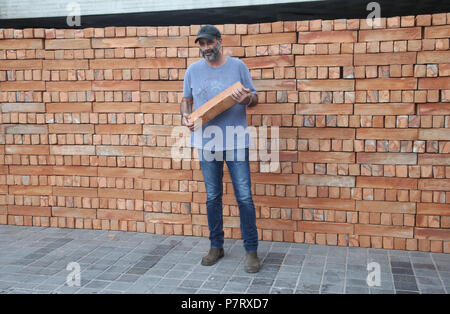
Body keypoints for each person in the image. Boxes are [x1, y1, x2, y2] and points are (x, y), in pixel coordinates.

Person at [180, 25, 260, 273]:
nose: (206, 49)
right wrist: (186, 117)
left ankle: (251, 251)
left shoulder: (238, 67)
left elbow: (255, 97)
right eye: (202, 45)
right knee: (213, 197)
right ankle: (216, 246)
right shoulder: (193, 70)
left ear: (219, 41)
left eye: (209, 43)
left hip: (236, 142)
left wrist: (245, 98)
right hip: (207, 144)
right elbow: (186, 101)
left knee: (244, 197)